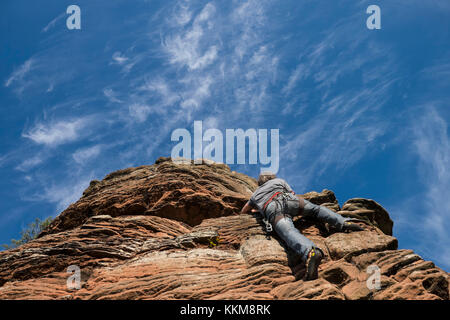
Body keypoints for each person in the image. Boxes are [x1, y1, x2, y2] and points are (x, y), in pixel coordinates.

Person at [240, 172, 364, 280]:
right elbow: (292, 192)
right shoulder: (279, 181)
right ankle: (343, 222)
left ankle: (311, 252)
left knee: (288, 231)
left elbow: (244, 211)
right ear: (271, 178)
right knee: (316, 210)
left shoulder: (255, 194)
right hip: (290, 199)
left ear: (260, 183)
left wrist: (257, 210)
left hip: (272, 207)